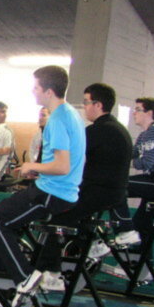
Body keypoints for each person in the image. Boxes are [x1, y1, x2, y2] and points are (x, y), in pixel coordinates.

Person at [0, 65, 85, 307]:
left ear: (48, 91)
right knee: (7, 220)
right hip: (62, 191)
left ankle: (25, 279)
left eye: (36, 87)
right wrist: (34, 169)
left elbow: (61, 166)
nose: (33, 91)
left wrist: (32, 165)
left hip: (52, 192)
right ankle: (9, 278)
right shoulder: (71, 113)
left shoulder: (58, 119)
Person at [35, 83, 133, 291]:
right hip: (113, 194)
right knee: (74, 213)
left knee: (56, 219)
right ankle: (95, 242)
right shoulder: (118, 129)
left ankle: (52, 275)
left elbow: (70, 158)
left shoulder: (98, 130)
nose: (85, 107)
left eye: (87, 103)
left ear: (98, 105)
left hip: (98, 192)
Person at [108, 97, 154, 246]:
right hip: (153, 178)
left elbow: (146, 162)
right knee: (141, 227)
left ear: (149, 113)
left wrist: (132, 161)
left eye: (138, 109)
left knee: (116, 186)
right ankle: (141, 265)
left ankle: (125, 231)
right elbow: (129, 155)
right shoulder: (143, 135)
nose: (134, 113)